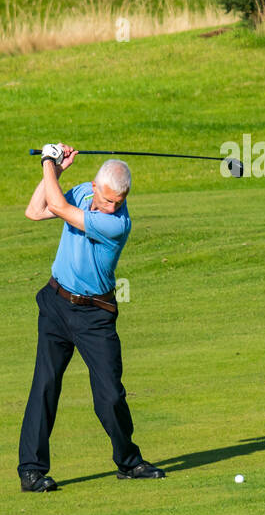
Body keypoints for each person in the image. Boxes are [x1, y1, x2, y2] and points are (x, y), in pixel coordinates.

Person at [16, 142, 164, 492]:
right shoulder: (83, 192)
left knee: (110, 395)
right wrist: (58, 170)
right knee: (45, 386)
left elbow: (56, 205)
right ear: (95, 187)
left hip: (94, 316)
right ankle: (31, 471)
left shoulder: (115, 225)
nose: (114, 206)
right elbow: (36, 211)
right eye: (109, 198)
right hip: (56, 303)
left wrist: (50, 164)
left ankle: (128, 462)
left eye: (120, 200)